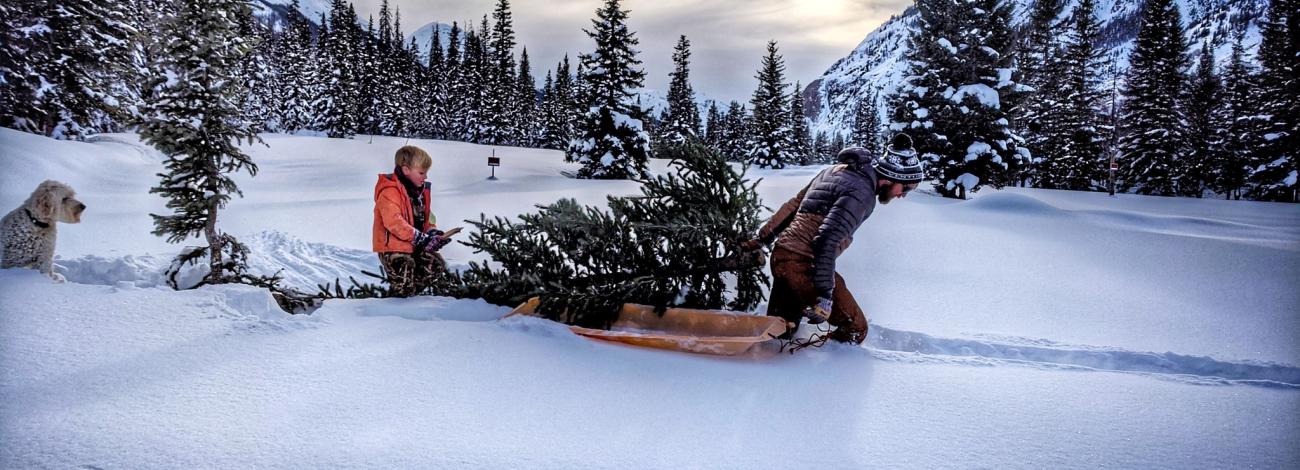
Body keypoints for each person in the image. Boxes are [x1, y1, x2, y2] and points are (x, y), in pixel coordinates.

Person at [740, 133, 923, 345]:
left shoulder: (832, 171)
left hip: (782, 256)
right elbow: (826, 240)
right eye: (907, 188)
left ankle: (766, 360)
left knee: (781, 329)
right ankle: (827, 369)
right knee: (855, 327)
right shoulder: (861, 193)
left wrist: (761, 239)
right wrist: (825, 296)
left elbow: (793, 206)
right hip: (803, 264)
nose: (903, 195)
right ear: (891, 178)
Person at [372, 145, 451, 297]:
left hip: (413, 244)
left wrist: (432, 232)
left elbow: (427, 218)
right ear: (406, 170)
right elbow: (394, 222)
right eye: (421, 172)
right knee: (404, 269)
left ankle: (410, 299)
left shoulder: (419, 193)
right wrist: (420, 238)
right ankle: (396, 304)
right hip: (393, 248)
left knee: (435, 264)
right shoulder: (390, 191)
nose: (425, 177)